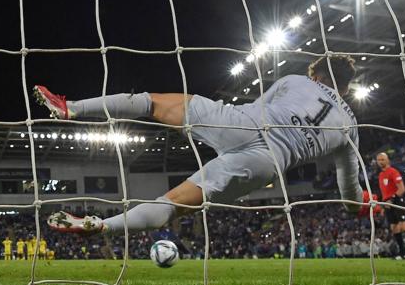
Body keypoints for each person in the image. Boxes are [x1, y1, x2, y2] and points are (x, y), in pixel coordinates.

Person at [36, 56, 375, 235]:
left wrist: (207, 127)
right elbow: (348, 191)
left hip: (240, 125)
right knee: (171, 205)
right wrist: (359, 205)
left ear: (316, 74)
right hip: (267, 164)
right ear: (345, 88)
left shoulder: (296, 80)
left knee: (151, 103)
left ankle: (72, 108)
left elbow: (260, 105)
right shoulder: (349, 127)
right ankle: (99, 226)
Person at [376, 152, 405, 260]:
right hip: (387, 204)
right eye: (379, 160)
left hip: (397, 201)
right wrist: (383, 204)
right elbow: (384, 192)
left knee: (404, 225)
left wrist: (392, 199)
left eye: (382, 159)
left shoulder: (393, 172)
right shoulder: (381, 175)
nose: (380, 162)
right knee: (394, 228)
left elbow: (402, 189)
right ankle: (402, 253)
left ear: (388, 160)